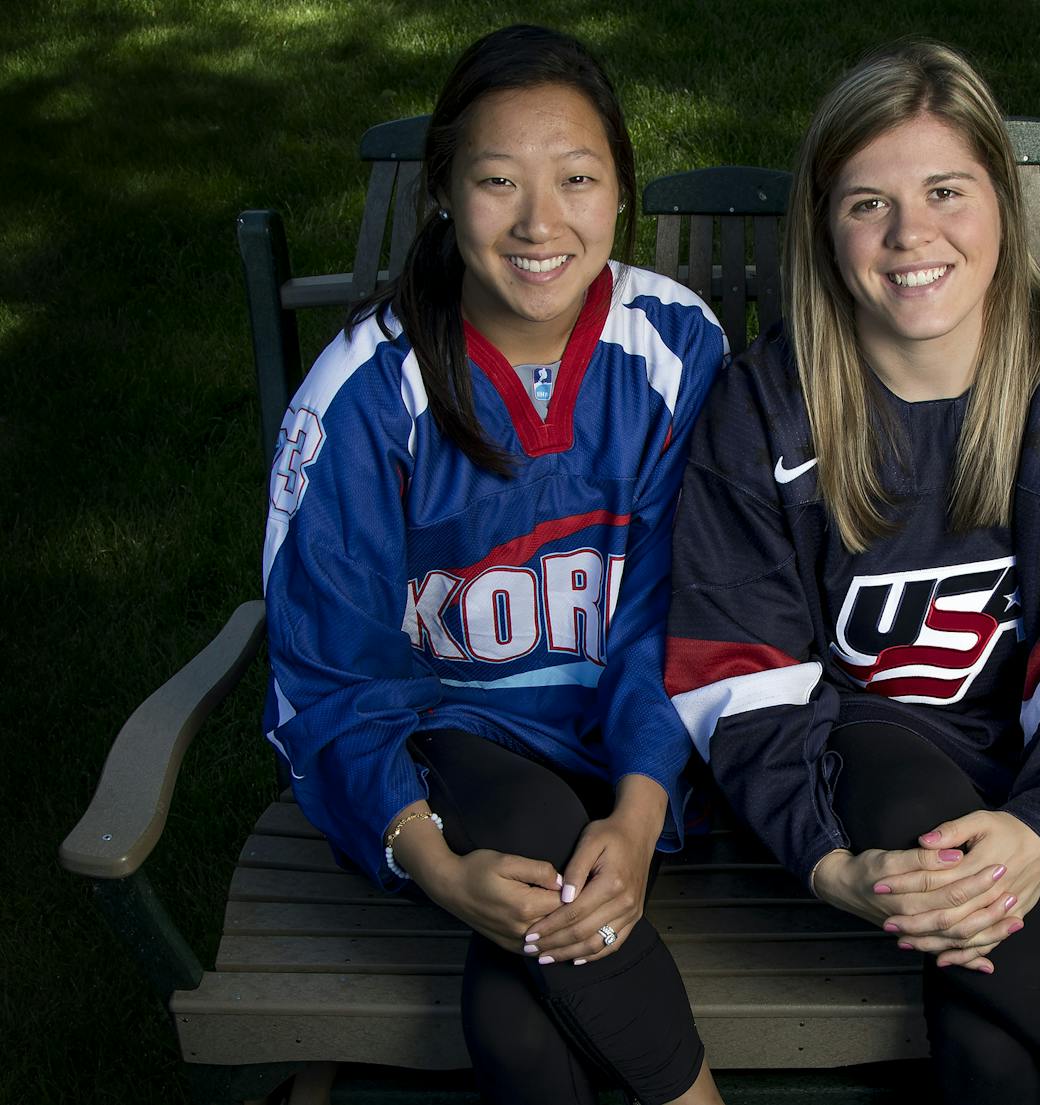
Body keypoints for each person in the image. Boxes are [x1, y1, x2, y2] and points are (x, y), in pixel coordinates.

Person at [664, 40, 1040, 1105]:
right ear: (823, 226)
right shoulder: (765, 404)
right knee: (902, 782)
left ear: (1000, 201)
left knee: (988, 1044)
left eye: (945, 191)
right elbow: (741, 673)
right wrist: (827, 861)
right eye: (867, 203)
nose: (910, 236)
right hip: (853, 762)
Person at [261, 25, 728, 1105]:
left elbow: (683, 606)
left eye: (575, 178)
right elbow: (330, 674)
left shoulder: (674, 347)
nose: (538, 222)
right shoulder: (365, 393)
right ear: (442, 193)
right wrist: (431, 861)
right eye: (495, 181)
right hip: (445, 764)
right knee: (519, 827)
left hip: (628, 760)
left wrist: (642, 810)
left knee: (516, 1028)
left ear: (620, 191)